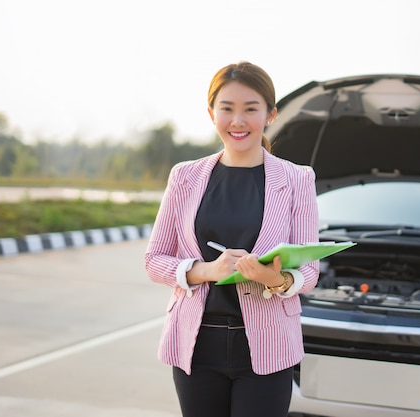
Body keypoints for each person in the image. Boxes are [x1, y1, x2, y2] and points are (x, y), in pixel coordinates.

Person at [144, 61, 320, 417]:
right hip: (197, 346)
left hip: (267, 346)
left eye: (250, 109)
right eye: (227, 109)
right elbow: (154, 261)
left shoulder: (298, 179)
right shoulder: (185, 177)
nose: (237, 121)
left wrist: (275, 279)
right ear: (211, 113)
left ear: (270, 114)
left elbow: (310, 272)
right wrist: (207, 270)